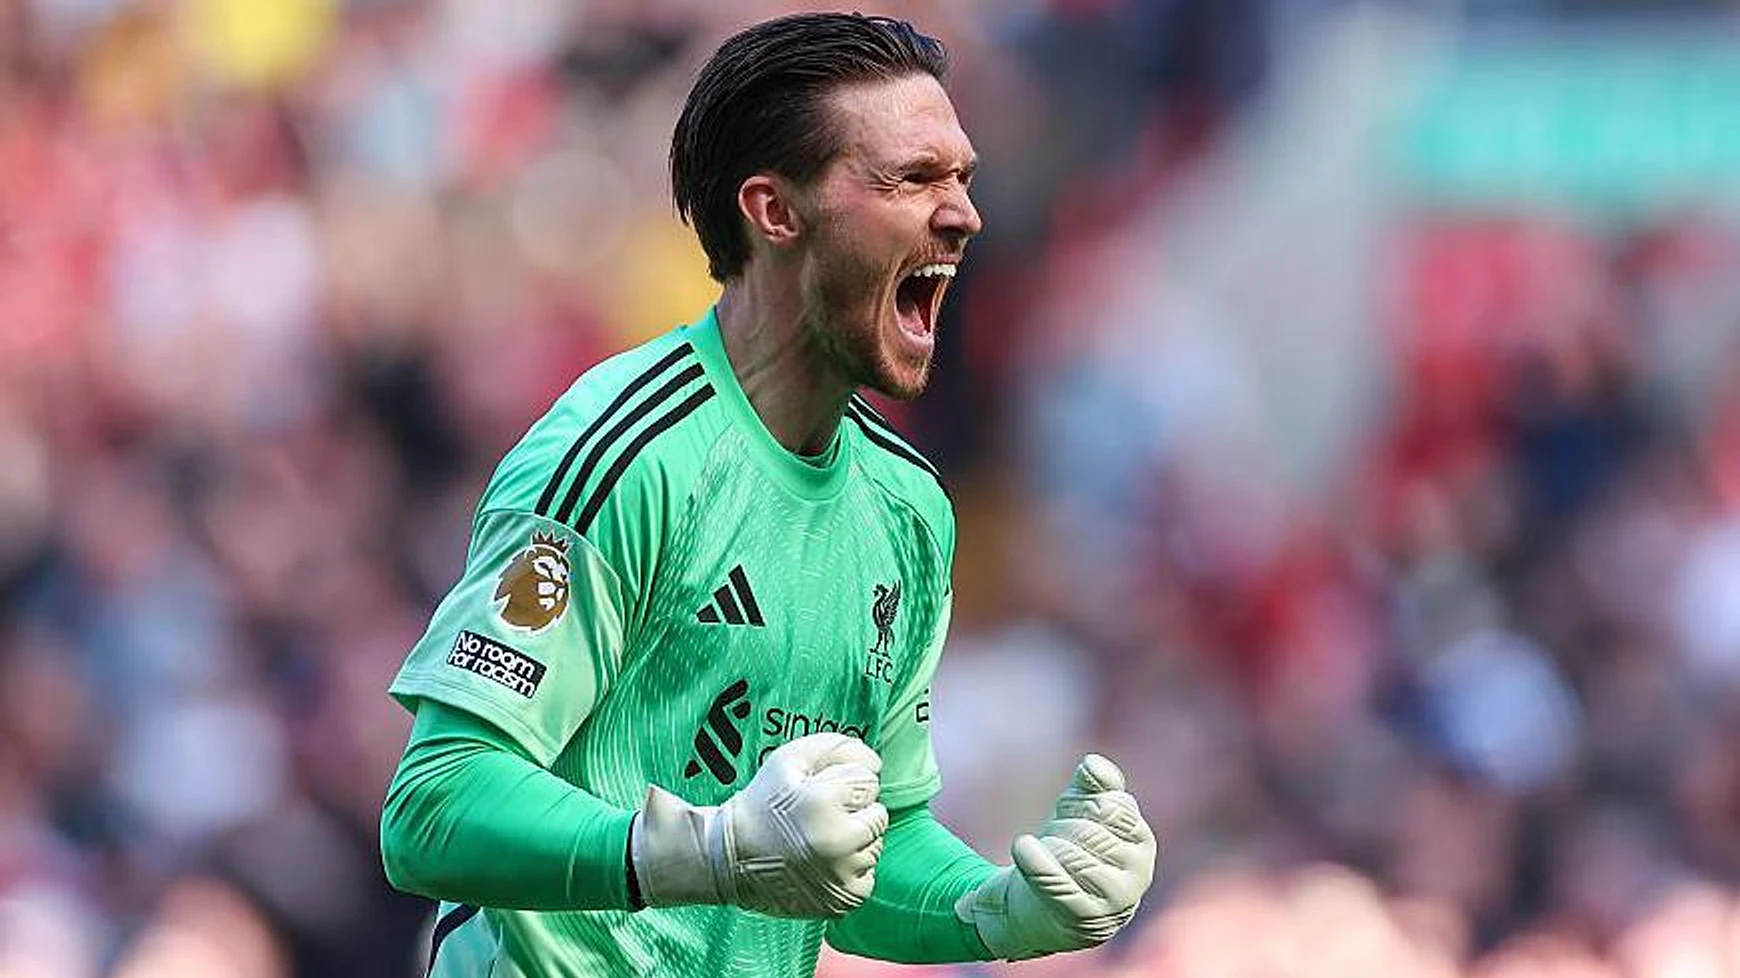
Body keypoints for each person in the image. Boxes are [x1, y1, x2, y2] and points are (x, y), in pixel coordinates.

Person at [379, 12, 1156, 977]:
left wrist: (998, 909)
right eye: (912, 179)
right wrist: (704, 851)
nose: (963, 215)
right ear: (775, 212)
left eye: (962, 178)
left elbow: (865, 855)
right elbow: (435, 805)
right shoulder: (630, 455)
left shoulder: (909, 508)